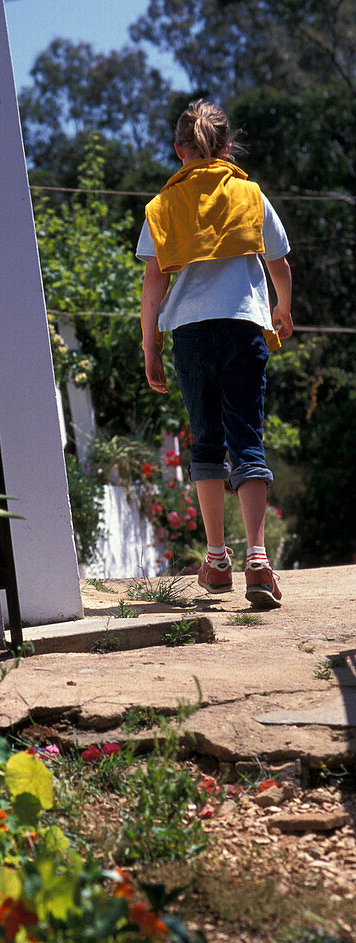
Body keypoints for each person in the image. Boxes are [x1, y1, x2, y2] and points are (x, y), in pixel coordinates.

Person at [138, 99, 292, 610]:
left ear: (178, 150)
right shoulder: (249, 193)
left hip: (191, 335)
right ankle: (258, 561)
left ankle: (216, 560)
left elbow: (153, 284)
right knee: (247, 438)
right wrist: (283, 307)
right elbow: (279, 262)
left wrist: (151, 346)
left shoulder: (163, 206)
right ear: (228, 147)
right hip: (245, 325)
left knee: (205, 441)